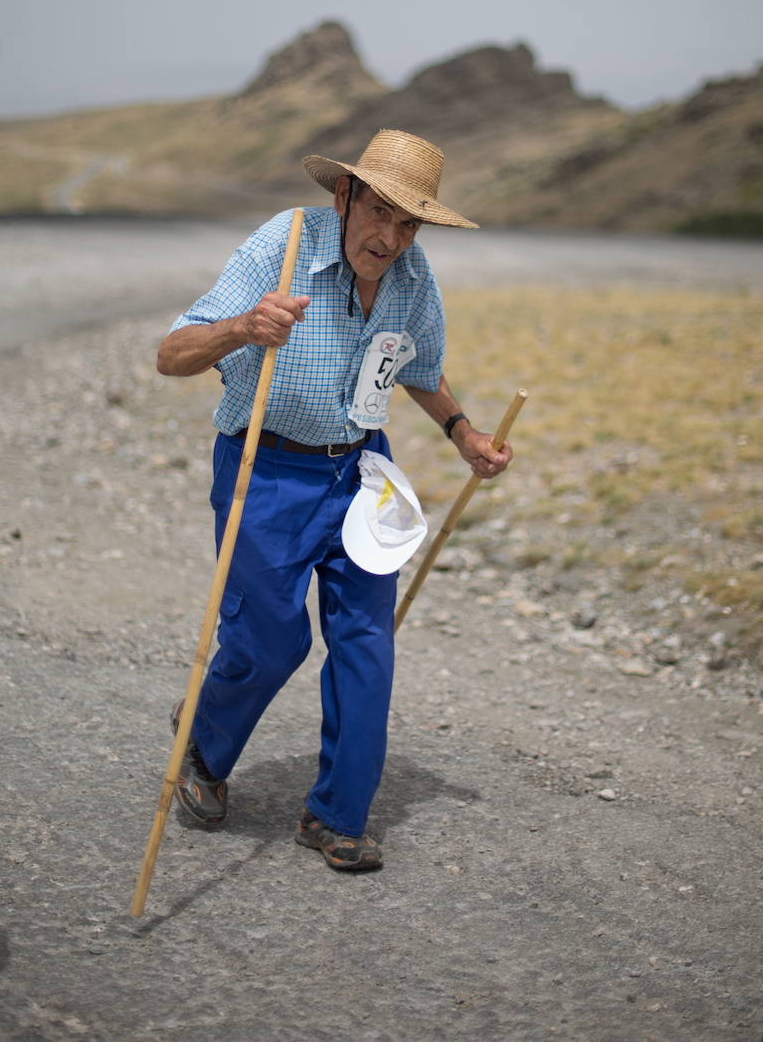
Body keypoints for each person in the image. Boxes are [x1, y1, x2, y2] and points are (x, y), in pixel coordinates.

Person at [156, 128, 513, 871]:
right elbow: (172, 352)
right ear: (344, 194)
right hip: (266, 469)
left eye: (408, 222)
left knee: (367, 645)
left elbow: (418, 366)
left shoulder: (412, 279)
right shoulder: (282, 244)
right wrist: (244, 327)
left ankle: (336, 815)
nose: (389, 237)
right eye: (378, 212)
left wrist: (462, 432)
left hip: (360, 472)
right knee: (270, 642)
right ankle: (203, 748)